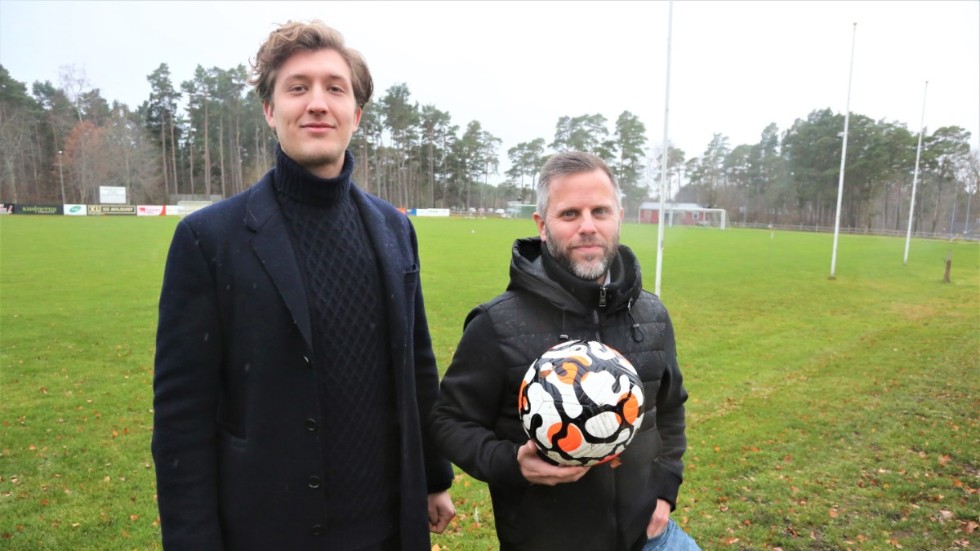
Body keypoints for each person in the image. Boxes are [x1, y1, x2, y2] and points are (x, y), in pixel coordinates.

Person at [151, 20, 454, 551]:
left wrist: (434, 477)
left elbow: (417, 363)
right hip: (270, 526)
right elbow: (182, 417)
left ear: (355, 115)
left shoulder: (394, 228)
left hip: (387, 525)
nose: (318, 102)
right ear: (271, 110)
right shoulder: (209, 239)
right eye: (298, 87)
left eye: (335, 88)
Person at [429, 151, 698, 551]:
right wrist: (511, 463)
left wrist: (664, 491)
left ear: (619, 216)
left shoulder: (651, 314)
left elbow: (670, 408)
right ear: (542, 225)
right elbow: (449, 421)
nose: (587, 227)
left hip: (651, 537)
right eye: (570, 214)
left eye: (600, 211)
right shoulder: (497, 324)